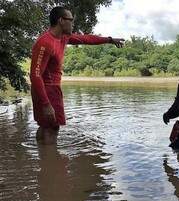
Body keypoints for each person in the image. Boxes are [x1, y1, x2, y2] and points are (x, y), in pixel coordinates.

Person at [30, 6, 124, 144]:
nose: (72, 23)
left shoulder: (64, 37)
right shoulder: (45, 42)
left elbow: (86, 39)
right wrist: (45, 104)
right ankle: (50, 162)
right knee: (52, 128)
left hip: (53, 89)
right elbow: (35, 75)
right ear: (61, 20)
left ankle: (43, 157)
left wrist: (109, 40)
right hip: (45, 89)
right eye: (71, 20)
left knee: (47, 126)